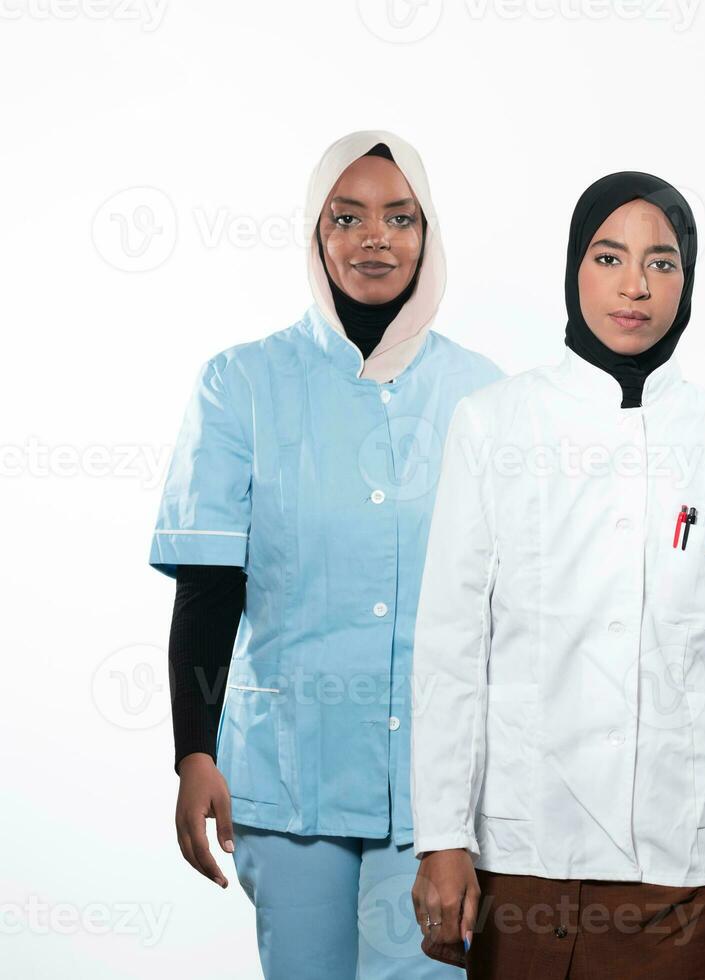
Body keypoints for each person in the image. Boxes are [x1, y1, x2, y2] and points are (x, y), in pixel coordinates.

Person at [408, 171, 705, 979]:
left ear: (689, 278)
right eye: (609, 258)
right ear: (574, 268)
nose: (636, 286)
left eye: (663, 262)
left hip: (684, 867)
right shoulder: (494, 425)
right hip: (525, 856)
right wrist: (443, 838)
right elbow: (450, 651)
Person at [150, 130, 502, 979]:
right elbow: (209, 589)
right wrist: (193, 752)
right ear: (316, 234)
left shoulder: (482, 394)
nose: (374, 238)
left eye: (398, 217)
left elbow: (511, 604)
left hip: (437, 792)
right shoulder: (241, 382)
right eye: (347, 218)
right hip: (286, 776)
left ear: (429, 234)